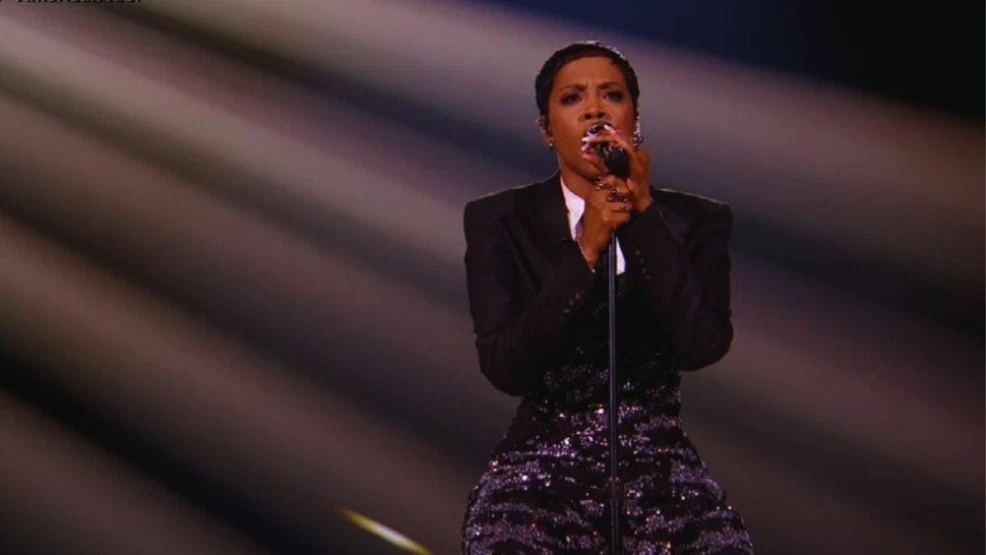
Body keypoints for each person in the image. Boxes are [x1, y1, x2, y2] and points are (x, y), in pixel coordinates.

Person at [459, 41, 755, 554]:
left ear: (635, 120)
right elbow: (505, 367)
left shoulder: (698, 221)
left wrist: (643, 220)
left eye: (612, 96)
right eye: (572, 98)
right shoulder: (499, 220)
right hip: (540, 467)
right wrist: (587, 248)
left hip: (661, 468)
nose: (595, 110)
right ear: (546, 129)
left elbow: (701, 344)